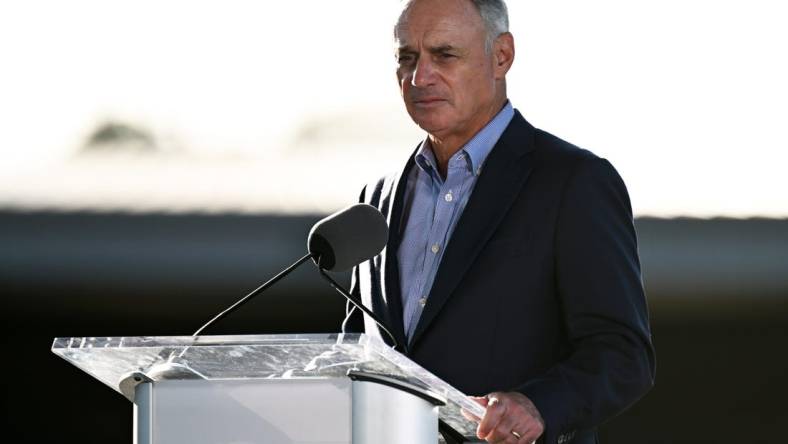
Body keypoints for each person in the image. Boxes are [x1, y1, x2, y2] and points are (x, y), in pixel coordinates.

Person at [347, 1, 656, 442]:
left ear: (502, 56)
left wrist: (538, 406)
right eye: (407, 58)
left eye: (444, 55)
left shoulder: (573, 183)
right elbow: (356, 350)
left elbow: (624, 355)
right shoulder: (376, 201)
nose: (419, 78)